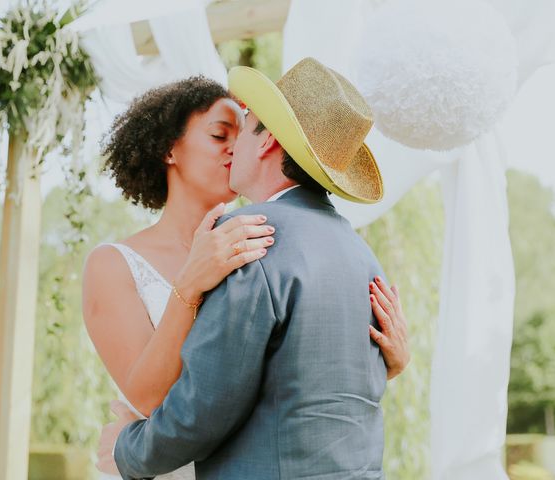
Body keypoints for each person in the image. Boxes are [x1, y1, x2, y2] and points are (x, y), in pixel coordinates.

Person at [84, 72, 408, 480]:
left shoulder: (253, 241)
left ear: (268, 141)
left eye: (240, 131)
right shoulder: (360, 251)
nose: (234, 146)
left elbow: (213, 402)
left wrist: (385, 363)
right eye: (220, 135)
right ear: (169, 148)